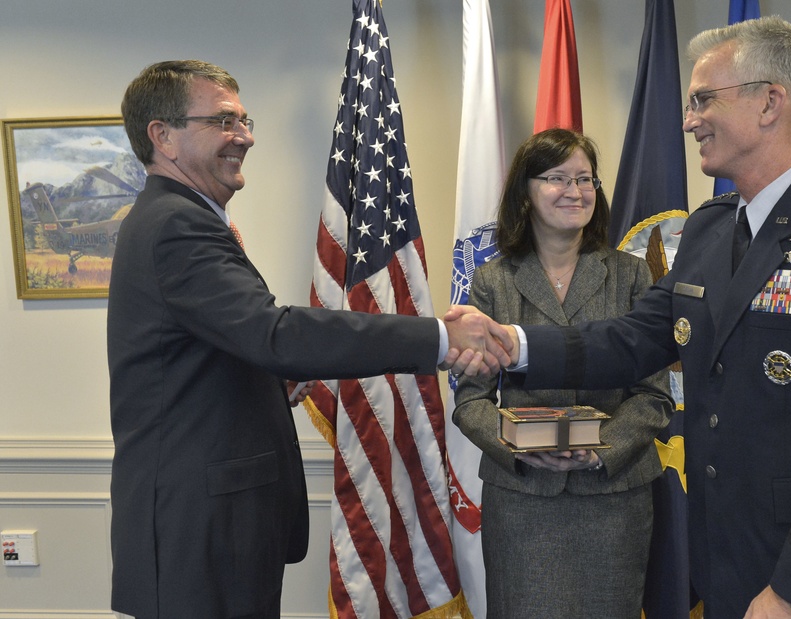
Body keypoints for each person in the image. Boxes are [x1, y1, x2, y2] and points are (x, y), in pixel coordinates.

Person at [468, 16, 791, 619]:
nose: (688, 120)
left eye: (704, 99)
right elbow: (633, 341)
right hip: (728, 564)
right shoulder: (711, 227)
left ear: (770, 103)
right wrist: (512, 343)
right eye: (688, 103)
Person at [107, 60, 507, 619]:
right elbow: (276, 332)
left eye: (245, 120)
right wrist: (438, 337)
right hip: (196, 533)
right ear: (162, 136)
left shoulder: (175, 217)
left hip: (212, 527)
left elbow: (215, 349)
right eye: (223, 121)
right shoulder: (176, 224)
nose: (244, 137)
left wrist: (268, 376)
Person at [452, 128, 673, 617]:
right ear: (525, 193)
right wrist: (521, 446)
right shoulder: (493, 281)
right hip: (524, 501)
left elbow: (655, 395)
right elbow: (470, 402)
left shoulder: (631, 275)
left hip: (613, 501)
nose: (575, 191)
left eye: (585, 179)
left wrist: (599, 450)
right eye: (557, 178)